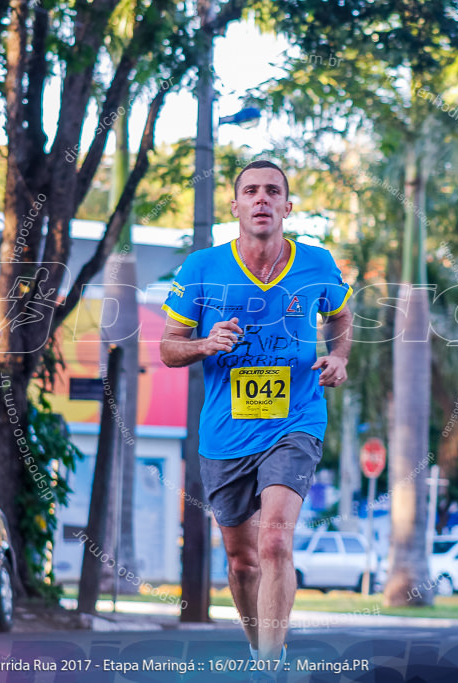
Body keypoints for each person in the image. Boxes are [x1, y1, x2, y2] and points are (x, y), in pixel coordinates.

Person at [160, 160, 353, 674]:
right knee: (243, 562)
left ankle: (271, 664)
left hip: (296, 421)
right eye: (251, 191)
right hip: (225, 433)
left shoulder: (315, 263)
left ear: (288, 207)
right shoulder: (202, 268)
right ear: (236, 206)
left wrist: (340, 357)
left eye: (273, 191)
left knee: (273, 542)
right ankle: (257, 647)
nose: (262, 199)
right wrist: (205, 342)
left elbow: (339, 316)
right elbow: (167, 349)